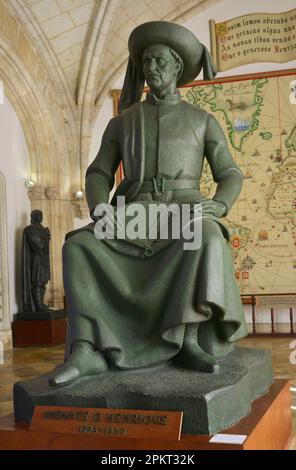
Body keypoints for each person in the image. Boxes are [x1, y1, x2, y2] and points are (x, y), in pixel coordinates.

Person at [49, 21, 248, 387]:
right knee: (79, 246)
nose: (151, 69)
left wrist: (220, 204)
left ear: (176, 66)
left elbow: (230, 172)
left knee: (203, 238)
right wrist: (100, 207)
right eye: (146, 63)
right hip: (135, 213)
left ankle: (187, 340)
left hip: (185, 211)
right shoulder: (123, 122)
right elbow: (98, 173)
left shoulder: (202, 121)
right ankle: (87, 349)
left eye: (158, 61)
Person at [22, 210, 50, 312]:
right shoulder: (30, 230)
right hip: (36, 259)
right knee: (37, 282)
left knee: (43, 282)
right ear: (33, 217)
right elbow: (38, 245)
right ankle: (38, 305)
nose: (40, 217)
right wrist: (44, 240)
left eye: (41, 215)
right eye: (38, 215)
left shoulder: (44, 230)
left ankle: (41, 303)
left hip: (44, 260)